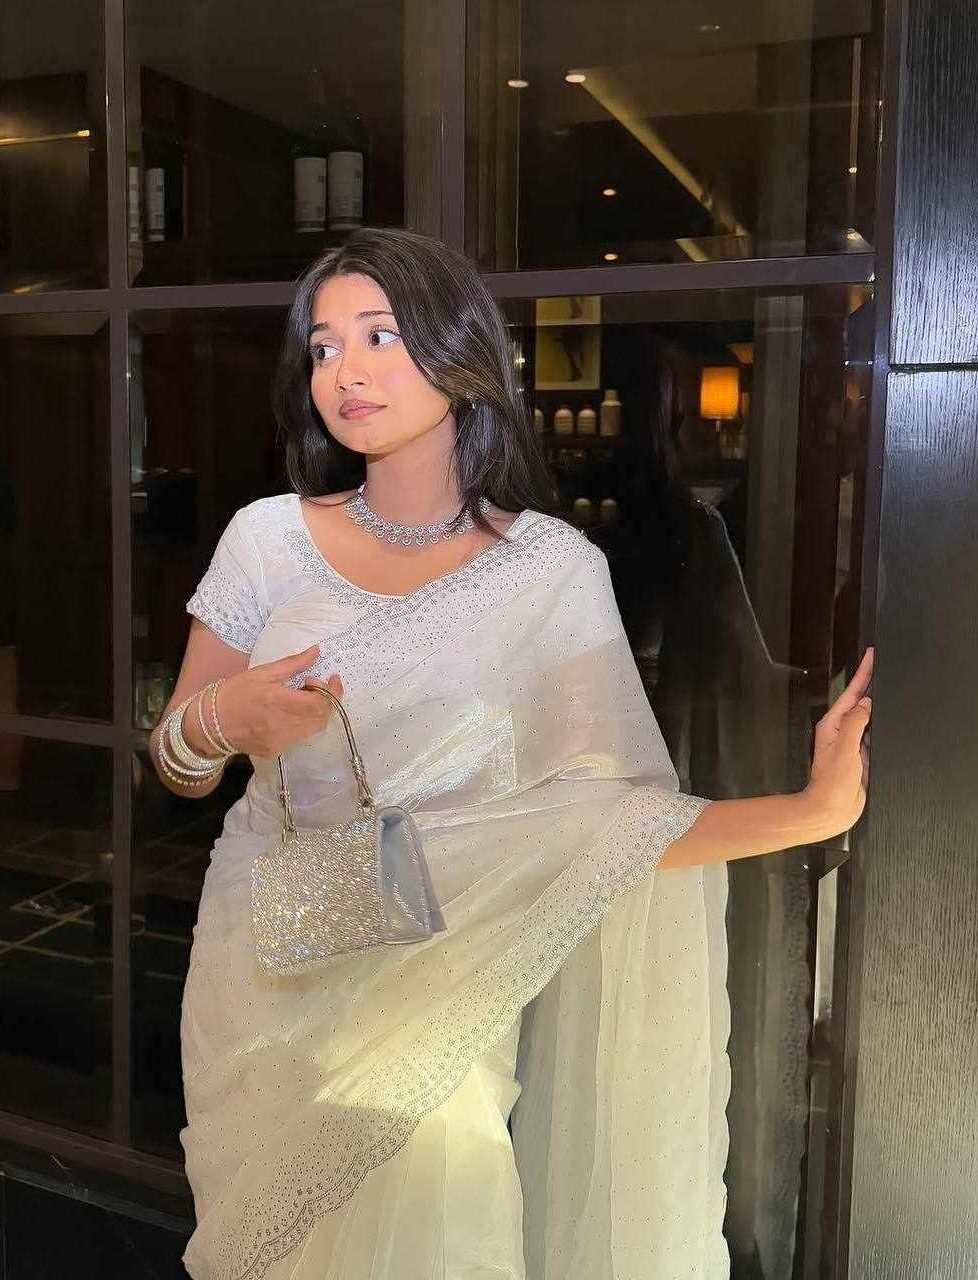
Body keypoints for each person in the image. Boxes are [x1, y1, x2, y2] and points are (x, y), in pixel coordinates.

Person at [151, 226, 872, 1280]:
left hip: (438, 980)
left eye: (380, 336)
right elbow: (175, 759)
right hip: (257, 965)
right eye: (322, 347)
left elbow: (601, 828)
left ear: (458, 350)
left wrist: (811, 812)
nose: (345, 371)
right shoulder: (266, 538)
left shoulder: (547, 572)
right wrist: (222, 721)